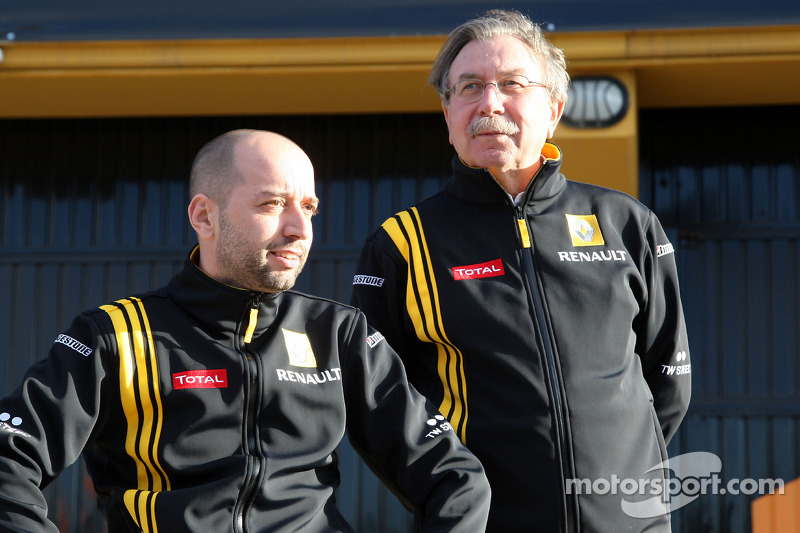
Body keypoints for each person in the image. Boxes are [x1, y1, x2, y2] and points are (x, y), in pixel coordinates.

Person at [0, 129, 491, 532]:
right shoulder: (114, 337)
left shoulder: (339, 335)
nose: (300, 228)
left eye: (310, 208)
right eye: (273, 204)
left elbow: (454, 476)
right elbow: (9, 458)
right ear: (204, 215)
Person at [351, 9, 691, 532]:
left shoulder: (627, 224)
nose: (490, 103)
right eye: (468, 87)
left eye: (512, 84)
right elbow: (376, 403)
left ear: (553, 108)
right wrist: (452, 500)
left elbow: (668, 382)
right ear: (448, 115)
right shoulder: (402, 243)